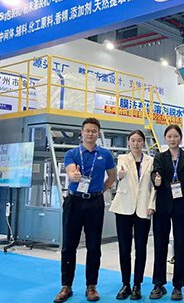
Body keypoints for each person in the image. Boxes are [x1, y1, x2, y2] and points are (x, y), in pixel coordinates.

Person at [54, 118, 116, 303]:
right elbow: (70, 171)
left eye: (94, 131)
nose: (90, 134)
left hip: (95, 203)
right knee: (69, 246)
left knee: (94, 246)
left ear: (98, 133)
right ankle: (66, 286)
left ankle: (91, 286)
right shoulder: (72, 154)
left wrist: (100, 191)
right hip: (74, 202)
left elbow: (111, 177)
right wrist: (74, 175)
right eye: (87, 130)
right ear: (82, 133)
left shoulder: (105, 154)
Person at [149, 124, 184, 301]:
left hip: (182, 204)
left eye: (175, 136)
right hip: (163, 205)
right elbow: (154, 174)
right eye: (169, 136)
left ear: (180, 138)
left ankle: (178, 285)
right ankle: (158, 284)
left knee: (181, 245)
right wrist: (156, 179)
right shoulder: (159, 157)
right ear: (165, 138)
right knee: (160, 244)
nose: (172, 139)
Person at [109, 129, 156, 300]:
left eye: (139, 140)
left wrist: (151, 204)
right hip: (124, 208)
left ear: (144, 142)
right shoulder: (122, 159)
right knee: (124, 249)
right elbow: (118, 174)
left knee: (141, 249)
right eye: (133, 140)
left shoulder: (151, 161)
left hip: (143, 208)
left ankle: (137, 284)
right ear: (129, 142)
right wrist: (119, 175)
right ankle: (125, 284)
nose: (136, 143)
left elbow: (154, 186)